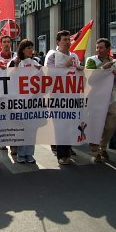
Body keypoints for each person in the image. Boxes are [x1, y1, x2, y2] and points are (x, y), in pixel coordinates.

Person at [44, 30, 83, 165]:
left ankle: (66, 150)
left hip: (72, 97)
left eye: (68, 39)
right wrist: (64, 67)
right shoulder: (52, 56)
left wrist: (80, 70)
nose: (67, 42)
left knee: (70, 124)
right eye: (64, 40)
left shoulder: (74, 56)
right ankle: (62, 155)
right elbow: (48, 75)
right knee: (60, 125)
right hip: (57, 97)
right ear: (58, 42)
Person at [85, 38, 116, 163]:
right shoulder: (91, 60)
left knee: (112, 123)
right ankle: (95, 150)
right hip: (95, 98)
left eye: (101, 47)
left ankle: (103, 145)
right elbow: (90, 78)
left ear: (108, 49)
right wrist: (102, 69)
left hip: (110, 98)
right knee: (96, 124)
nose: (98, 50)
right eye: (97, 47)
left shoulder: (114, 62)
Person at [10, 39, 41, 163]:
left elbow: (42, 79)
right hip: (20, 101)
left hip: (33, 101)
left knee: (32, 129)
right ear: (22, 50)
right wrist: (16, 67)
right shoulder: (15, 62)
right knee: (22, 128)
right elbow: (9, 79)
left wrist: (40, 70)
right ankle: (21, 154)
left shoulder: (36, 62)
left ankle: (30, 154)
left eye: (31, 48)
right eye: (28, 48)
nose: (30, 50)